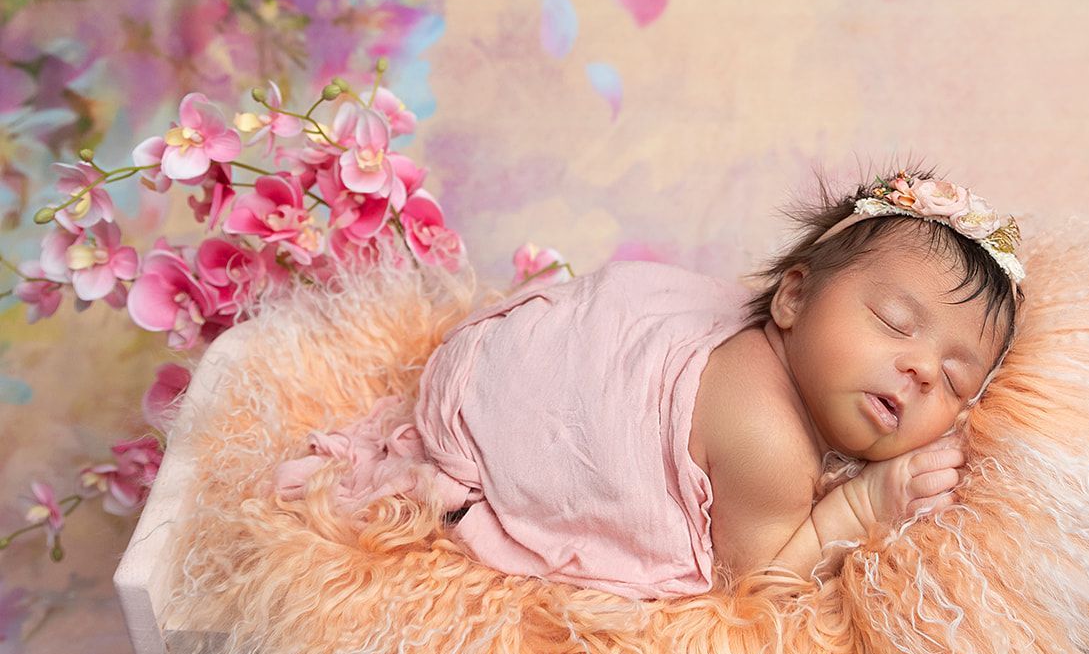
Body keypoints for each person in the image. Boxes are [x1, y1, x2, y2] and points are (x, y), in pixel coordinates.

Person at [406, 163, 1024, 597]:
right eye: (894, 322)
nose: (919, 370)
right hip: (492, 416)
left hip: (511, 346)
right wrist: (864, 503)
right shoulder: (766, 439)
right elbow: (762, 590)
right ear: (793, 298)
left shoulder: (780, 360)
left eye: (953, 380)